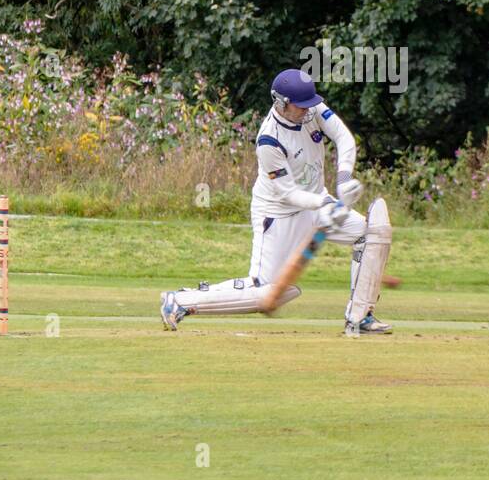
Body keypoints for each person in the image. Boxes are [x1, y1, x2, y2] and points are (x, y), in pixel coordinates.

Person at [159, 69, 394, 336]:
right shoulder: (269, 140)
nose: (308, 111)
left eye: (310, 104)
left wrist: (343, 178)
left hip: (318, 202)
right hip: (278, 214)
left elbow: (344, 137)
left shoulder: (312, 106)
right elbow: (289, 193)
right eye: (300, 106)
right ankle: (180, 301)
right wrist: (323, 204)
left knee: (370, 235)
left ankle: (360, 316)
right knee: (265, 291)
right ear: (281, 102)